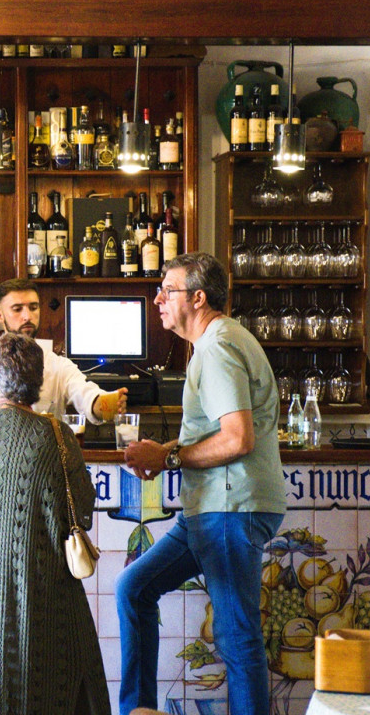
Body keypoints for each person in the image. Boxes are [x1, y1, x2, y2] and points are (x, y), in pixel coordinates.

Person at [118, 252, 285, 715]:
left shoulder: (217, 347)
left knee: (236, 635)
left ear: (198, 296)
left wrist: (168, 455)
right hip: (211, 507)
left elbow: (237, 438)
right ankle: (140, 710)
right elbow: (220, 433)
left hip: (230, 508)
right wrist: (168, 450)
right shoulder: (219, 343)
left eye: (166, 291)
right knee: (134, 588)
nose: (157, 300)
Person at [0, 332, 111, 715]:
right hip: (45, 597)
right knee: (53, 684)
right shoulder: (59, 436)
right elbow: (83, 510)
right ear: (38, 383)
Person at [0, 278, 126, 423]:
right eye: (17, 309)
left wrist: (108, 404)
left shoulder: (58, 366)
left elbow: (88, 397)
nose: (27, 316)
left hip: (41, 463)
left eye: (33, 307)